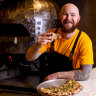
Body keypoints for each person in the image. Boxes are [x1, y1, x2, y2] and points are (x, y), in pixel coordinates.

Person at [26, 3, 94, 81]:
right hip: (49, 82)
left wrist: (57, 75)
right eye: (65, 14)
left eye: (73, 15)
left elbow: (85, 74)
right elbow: (29, 58)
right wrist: (38, 45)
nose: (68, 18)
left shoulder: (84, 40)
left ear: (78, 19)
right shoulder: (51, 35)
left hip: (71, 84)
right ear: (60, 17)